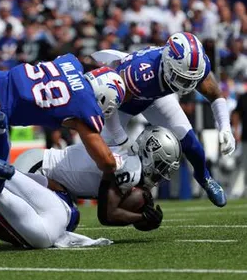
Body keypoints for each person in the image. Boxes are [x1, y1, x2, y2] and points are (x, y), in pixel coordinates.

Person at [0, 105, 172, 252]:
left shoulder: (127, 154)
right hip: (43, 171)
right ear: (150, 152)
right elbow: (107, 214)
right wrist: (142, 218)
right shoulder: (126, 168)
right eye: (160, 165)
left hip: (47, 172)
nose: (159, 174)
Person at [93, 32, 235, 207]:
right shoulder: (139, 74)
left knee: (191, 143)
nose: (186, 84)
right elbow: (110, 107)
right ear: (168, 64)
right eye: (181, 77)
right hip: (120, 106)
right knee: (97, 154)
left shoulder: (193, 65)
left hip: (156, 96)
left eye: (190, 79)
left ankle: (205, 178)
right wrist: (122, 140)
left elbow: (215, 94)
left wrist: (225, 127)